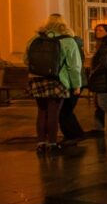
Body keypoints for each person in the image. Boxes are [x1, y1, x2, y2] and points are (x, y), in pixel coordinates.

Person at [24, 13, 82, 153]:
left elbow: (26, 59)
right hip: (57, 80)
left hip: (37, 79)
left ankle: (41, 143)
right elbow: (74, 66)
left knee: (41, 112)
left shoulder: (35, 39)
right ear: (63, 24)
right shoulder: (68, 41)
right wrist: (76, 85)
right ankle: (53, 144)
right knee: (53, 113)